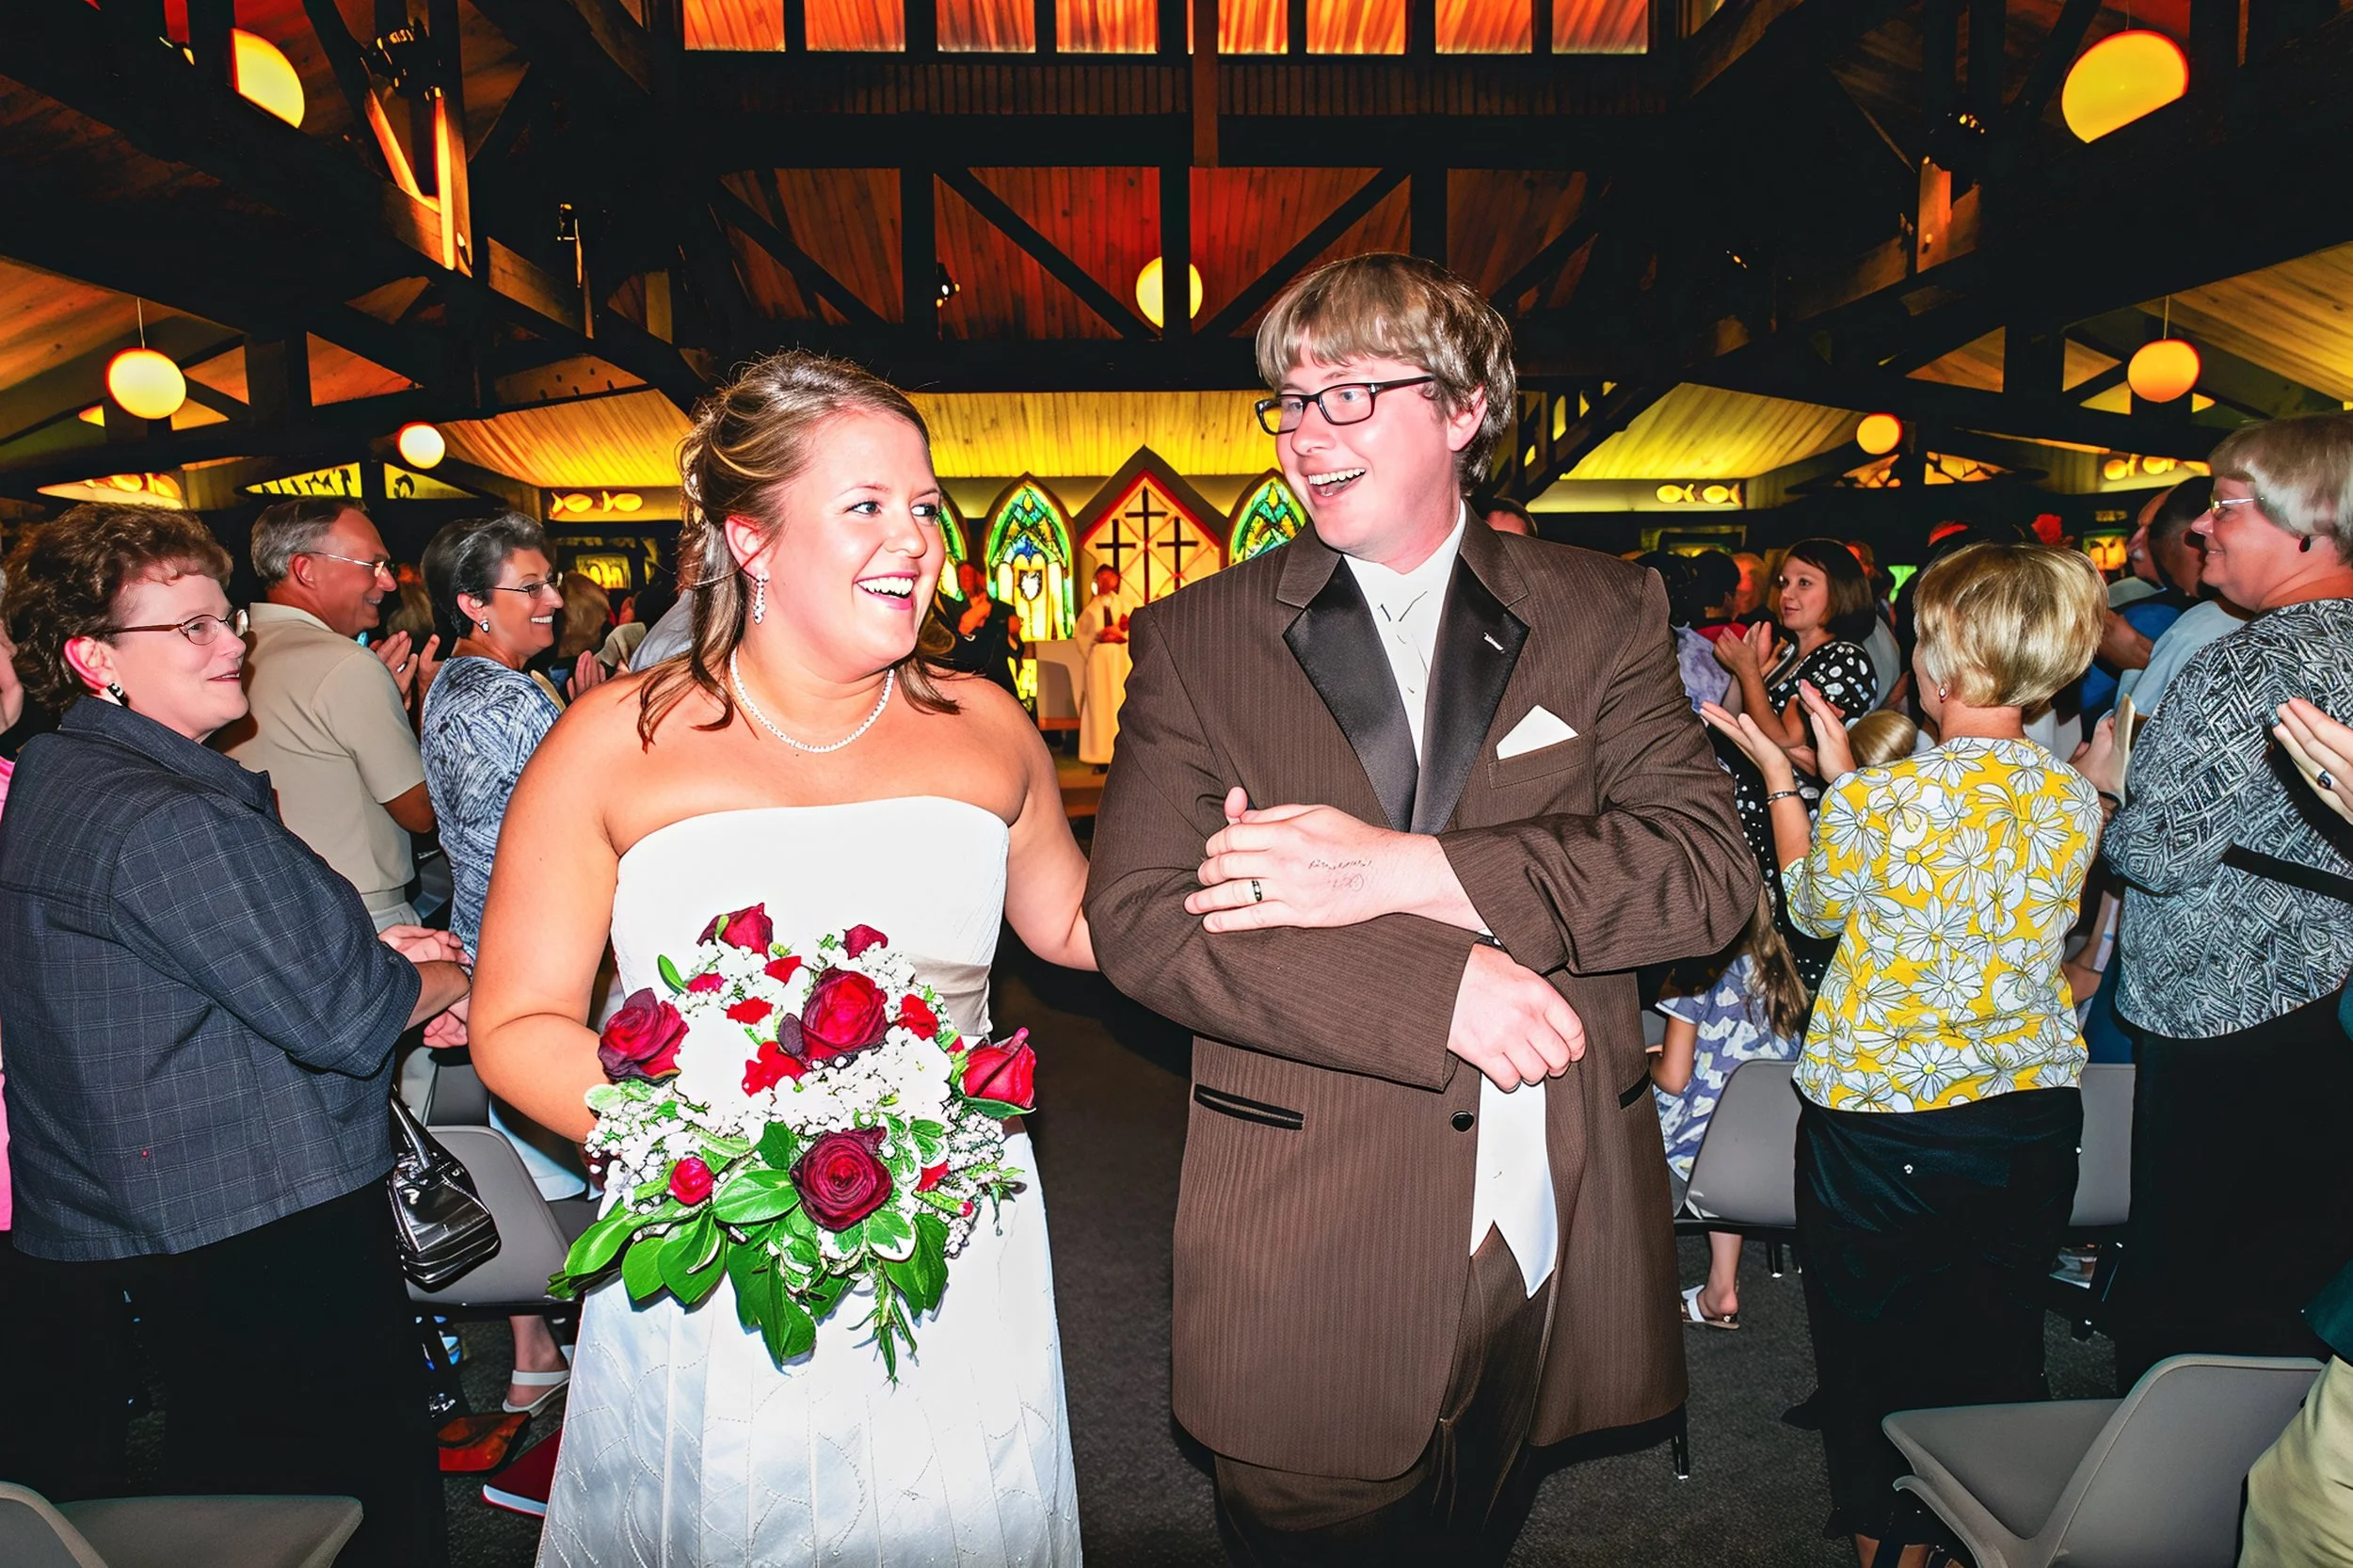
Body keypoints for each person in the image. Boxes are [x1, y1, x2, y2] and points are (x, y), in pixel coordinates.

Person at [1084, 253, 1757, 1563]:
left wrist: (1404, 870)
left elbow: (1704, 871)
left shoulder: (1602, 606)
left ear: (1462, 410)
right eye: (1288, 402)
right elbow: (1144, 919)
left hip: (1549, 1204)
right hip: (1310, 1218)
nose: (1304, 436)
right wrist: (1434, 986)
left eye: (1348, 396)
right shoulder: (1198, 637)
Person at [466, 350, 1092, 1565]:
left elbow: (1075, 923)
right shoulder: (613, 743)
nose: (915, 540)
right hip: (715, 1246)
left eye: (923, 508)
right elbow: (520, 1021)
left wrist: (1254, 871)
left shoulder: (985, 724)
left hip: (951, 1227)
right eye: (865, 506)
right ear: (750, 539)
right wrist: (708, 1152)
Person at [0, 504, 469, 1566]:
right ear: (91, 657)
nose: (232, 644)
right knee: (348, 1505)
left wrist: (359, 943)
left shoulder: (68, 770)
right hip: (255, 1216)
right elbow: (342, 1019)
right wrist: (440, 976)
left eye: (226, 620)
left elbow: (182, 961)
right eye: (192, 629)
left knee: (241, 1483)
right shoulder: (162, 811)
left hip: (159, 1212)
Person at [1705, 540, 2106, 1560]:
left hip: (1883, 1117)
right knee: (1993, 1326)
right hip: (2025, 1107)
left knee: (1871, 1339)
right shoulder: (2068, 795)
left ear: (1947, 667)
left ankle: (1883, 1536)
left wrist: (1788, 783)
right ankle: (1961, 1522)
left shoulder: (1885, 801)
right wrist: (1840, 783)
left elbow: (1811, 907)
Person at [2076, 412, 2353, 1387]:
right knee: (2298, 1262)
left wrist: (2107, 793)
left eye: (2224, 507)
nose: (2200, 529)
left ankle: (2171, 1497)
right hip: (2331, 998)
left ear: (2309, 526)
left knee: (2195, 1287)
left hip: (2221, 1007)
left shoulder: (2249, 658)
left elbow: (2160, 851)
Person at [417, 512, 588, 1416]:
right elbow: (574, 828)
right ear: (474, 604)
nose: (553, 599)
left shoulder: (448, 687)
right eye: (530, 587)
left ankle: (532, 1352)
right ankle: (600, 1350)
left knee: (524, 1149)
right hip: (540, 941)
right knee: (575, 1148)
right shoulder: (516, 700)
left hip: (486, 933)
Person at [219, 499, 437, 930]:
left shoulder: (227, 653)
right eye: (373, 565)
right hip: (363, 918)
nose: (389, 583)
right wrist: (426, 715)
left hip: (264, 912)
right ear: (306, 569)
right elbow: (422, 813)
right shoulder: (346, 665)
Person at [1710, 537, 1881, 987]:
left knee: (1785, 964)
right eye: (1785, 582)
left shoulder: (1845, 658)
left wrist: (1749, 671)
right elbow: (1735, 722)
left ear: (1840, 593)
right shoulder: (1789, 654)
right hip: (1754, 819)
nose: (1787, 594)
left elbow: (1785, 738)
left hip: (1794, 825)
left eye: (1805, 583)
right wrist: (1744, 673)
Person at [1652, 885, 1807, 1330]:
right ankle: (1721, 1287)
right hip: (1776, 1148)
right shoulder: (1782, 972)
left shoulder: (1693, 973)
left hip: (1704, 1152)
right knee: (1723, 1116)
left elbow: (1675, 1076)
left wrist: (1644, 1061)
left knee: (1632, 1100)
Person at [2079, 480, 2202, 721]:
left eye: (2151, 530)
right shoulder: (2141, 603)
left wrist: (2141, 657)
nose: (2133, 543)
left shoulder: (2160, 617)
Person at [1075, 561, 1141, 766]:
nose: (1104, 582)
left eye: (1108, 578)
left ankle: (1121, 753)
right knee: (1099, 704)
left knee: (1118, 700)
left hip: (1118, 659)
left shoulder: (1125, 605)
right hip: (1099, 659)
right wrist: (1099, 634)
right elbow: (1082, 635)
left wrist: (1120, 633)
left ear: (1116, 580)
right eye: (1100, 578)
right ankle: (1099, 754)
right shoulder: (1091, 609)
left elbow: (1135, 629)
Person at [935, 557, 1025, 701]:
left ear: (981, 577)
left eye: (969, 575)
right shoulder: (954, 610)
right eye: (962, 577)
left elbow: (1017, 648)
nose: (965, 581)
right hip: (966, 684)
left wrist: (1013, 636)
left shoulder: (1003, 609)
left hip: (998, 680)